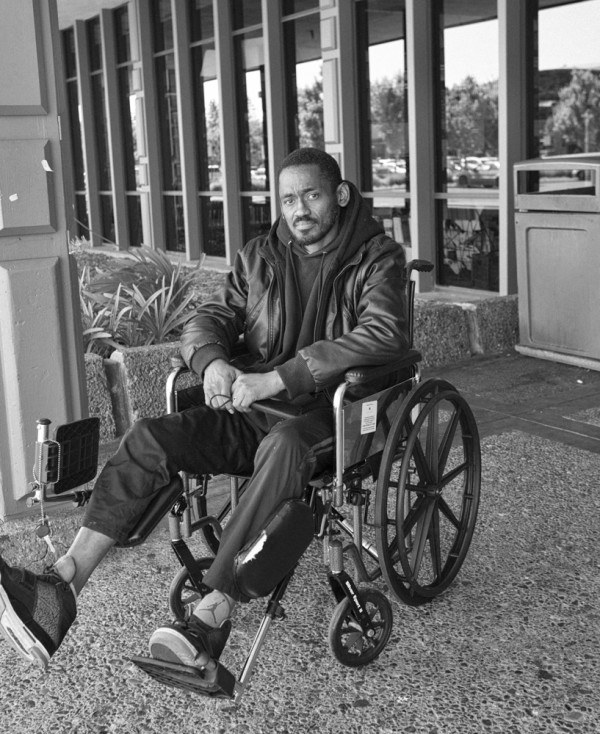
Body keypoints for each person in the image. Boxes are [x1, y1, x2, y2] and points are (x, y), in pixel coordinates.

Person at [0, 148, 408, 686]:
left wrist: (280, 377)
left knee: (285, 446)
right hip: (254, 408)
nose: (299, 210)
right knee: (150, 438)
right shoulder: (261, 255)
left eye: (311, 195)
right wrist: (211, 361)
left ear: (341, 194)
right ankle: (61, 588)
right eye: (288, 199)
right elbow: (211, 316)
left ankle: (211, 618)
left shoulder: (378, 258)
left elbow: (385, 333)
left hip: (335, 415)